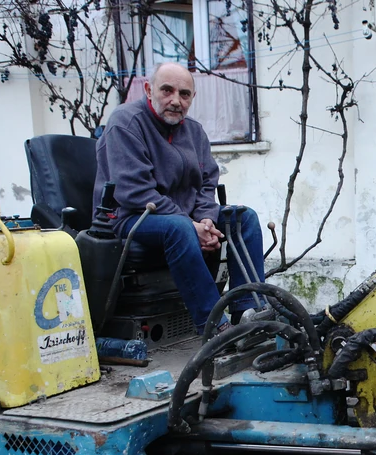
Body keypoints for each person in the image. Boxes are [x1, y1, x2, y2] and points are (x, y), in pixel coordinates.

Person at [93, 62, 268, 334]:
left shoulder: (195, 132)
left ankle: (248, 312)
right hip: (131, 218)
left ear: (192, 98)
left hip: (183, 219)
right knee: (179, 228)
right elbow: (135, 191)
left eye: (184, 94)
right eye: (167, 90)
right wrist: (191, 224)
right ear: (149, 90)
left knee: (244, 219)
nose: (176, 100)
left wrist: (206, 221)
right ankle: (215, 327)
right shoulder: (125, 123)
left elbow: (206, 183)